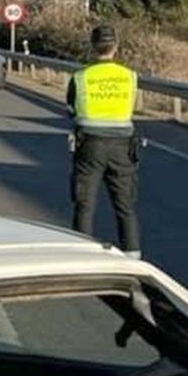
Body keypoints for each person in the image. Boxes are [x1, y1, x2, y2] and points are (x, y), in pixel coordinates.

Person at [66, 25, 141, 256]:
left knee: (85, 203)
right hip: (122, 147)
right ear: (116, 47)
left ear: (92, 47)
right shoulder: (129, 76)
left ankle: (83, 254)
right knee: (125, 206)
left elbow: (71, 108)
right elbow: (134, 106)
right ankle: (132, 255)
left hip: (90, 145)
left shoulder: (80, 77)